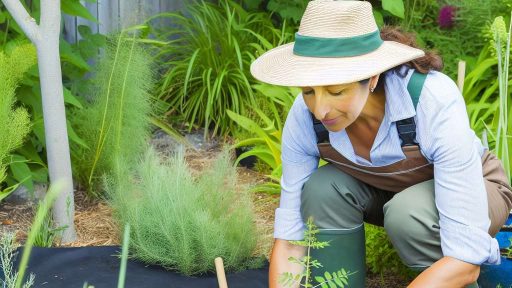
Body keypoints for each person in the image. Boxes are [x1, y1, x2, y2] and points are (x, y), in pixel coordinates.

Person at [249, 1, 512, 287]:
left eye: (337, 91)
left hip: (477, 189)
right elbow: (291, 239)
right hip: (388, 193)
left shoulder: (432, 100)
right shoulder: (304, 117)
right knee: (322, 189)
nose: (320, 110)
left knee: (408, 214)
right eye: (309, 91)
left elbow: (466, 259)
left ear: (372, 77)